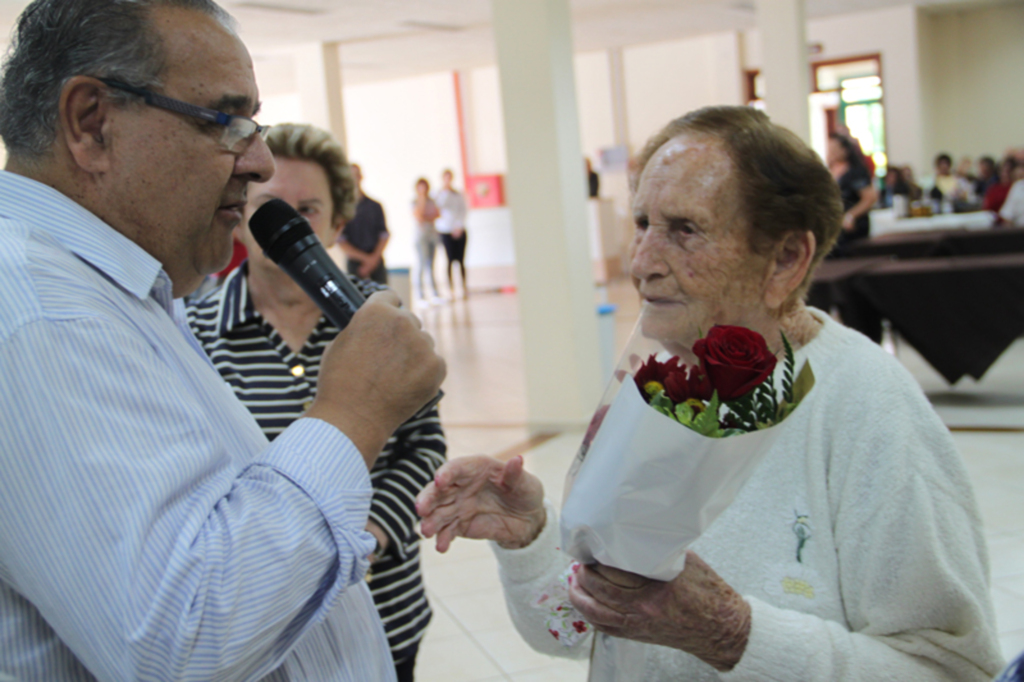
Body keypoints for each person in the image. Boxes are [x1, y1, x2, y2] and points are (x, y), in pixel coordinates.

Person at [416, 106, 1003, 681]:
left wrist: (732, 634)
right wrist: (531, 542)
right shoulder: (657, 385)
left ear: (786, 258)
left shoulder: (869, 407)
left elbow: (951, 669)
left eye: (684, 230)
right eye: (642, 224)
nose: (641, 263)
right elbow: (581, 632)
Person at [0, 1, 445, 679]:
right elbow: (181, 638)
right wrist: (351, 415)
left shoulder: (119, 290)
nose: (259, 162)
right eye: (228, 122)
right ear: (91, 125)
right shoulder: (39, 313)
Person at [187, 122, 444, 681]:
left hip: (383, 610)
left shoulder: (382, 321)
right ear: (239, 214)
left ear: (338, 223)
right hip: (266, 630)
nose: (288, 225)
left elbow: (425, 447)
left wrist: (370, 534)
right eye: (271, 207)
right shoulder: (197, 330)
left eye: (308, 210)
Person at [337, 163, 390, 284]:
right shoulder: (343, 209)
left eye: (356, 175)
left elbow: (383, 234)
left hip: (376, 260)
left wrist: (373, 259)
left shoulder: (375, 206)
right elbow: (341, 240)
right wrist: (366, 259)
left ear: (361, 177)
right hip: (355, 263)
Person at [826, 132, 877, 256]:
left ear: (844, 150)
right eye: (829, 149)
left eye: (834, 149)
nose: (831, 152)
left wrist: (850, 215)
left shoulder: (855, 172)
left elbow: (869, 198)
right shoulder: (828, 172)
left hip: (852, 224)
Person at [433, 169, 469, 299]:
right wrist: (444, 192)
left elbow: (463, 210)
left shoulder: (458, 194)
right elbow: (438, 209)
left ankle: (464, 286)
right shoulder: (437, 194)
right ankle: (451, 288)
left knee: (460, 260)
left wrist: (458, 226)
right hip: (445, 231)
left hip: (458, 230)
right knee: (449, 260)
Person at [412, 177, 441, 303]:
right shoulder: (414, 202)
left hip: (432, 236)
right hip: (421, 238)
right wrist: (422, 199)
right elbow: (419, 216)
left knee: (431, 265)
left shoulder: (433, 201)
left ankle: (435, 294)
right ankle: (420, 295)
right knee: (422, 264)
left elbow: (437, 214)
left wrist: (427, 217)